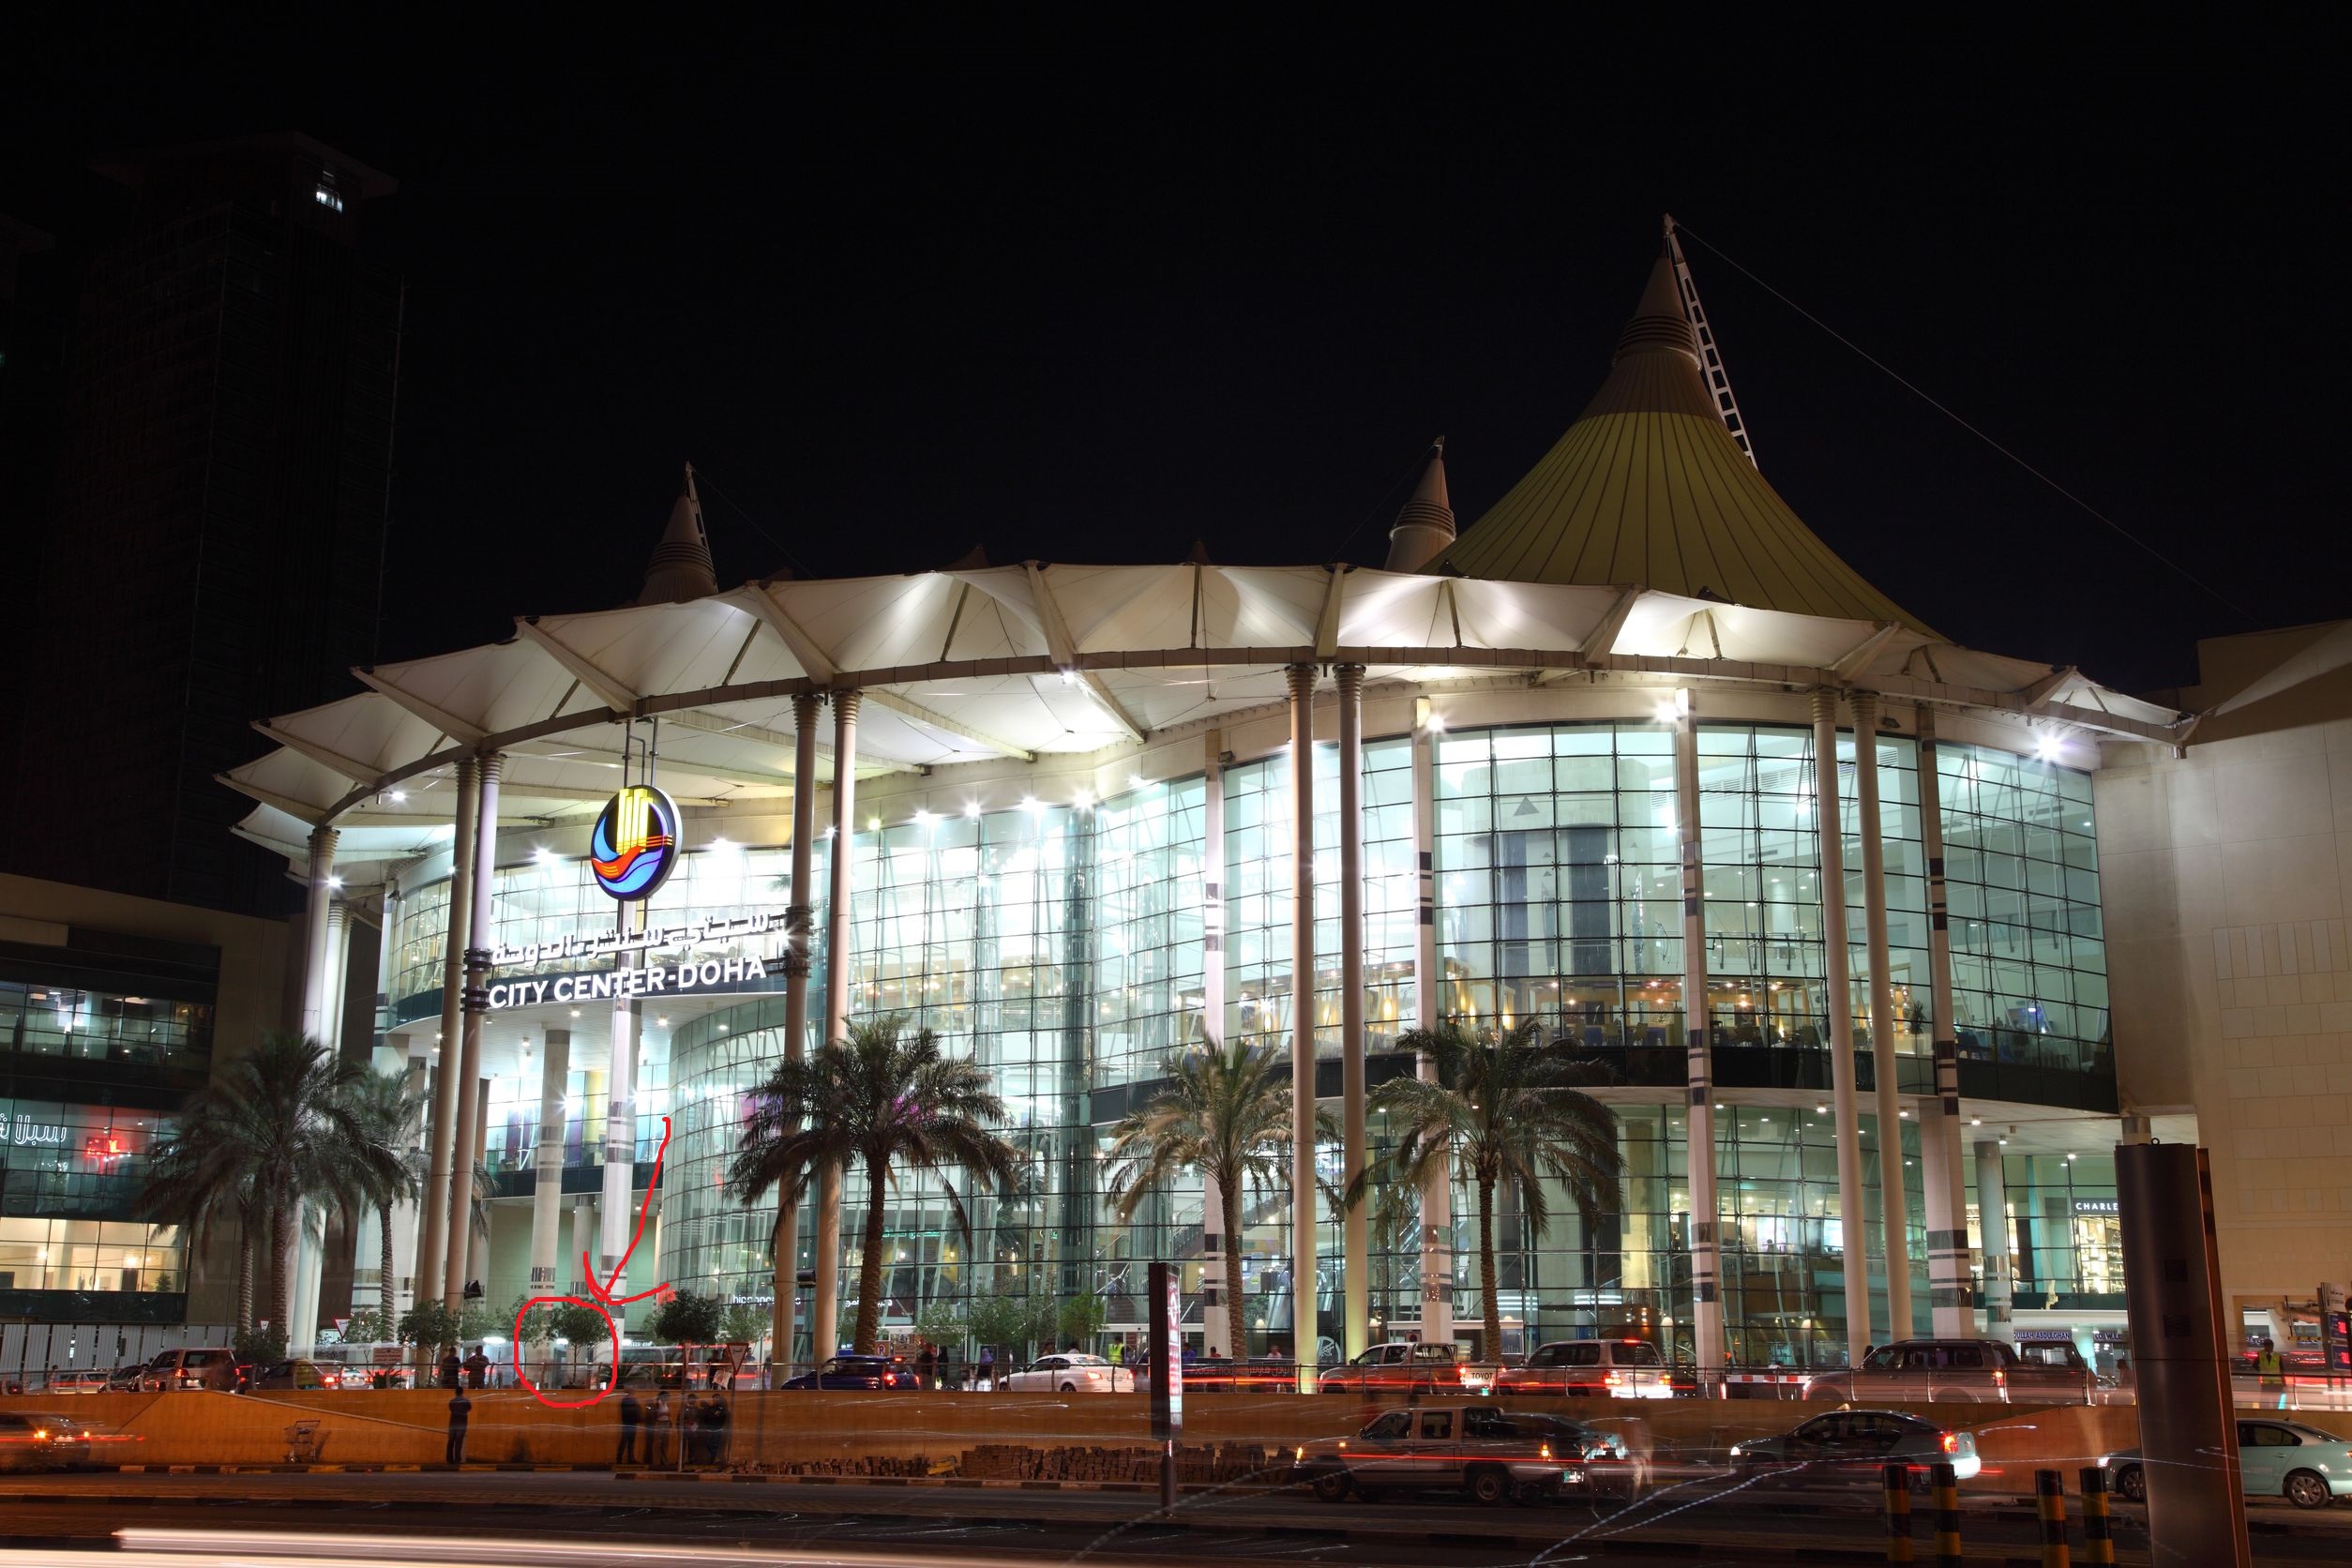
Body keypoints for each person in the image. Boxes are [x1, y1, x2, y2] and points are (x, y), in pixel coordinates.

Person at [445, 1386, 472, 1466]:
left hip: (453, 1423)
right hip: (462, 1423)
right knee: (459, 1442)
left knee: (451, 1441)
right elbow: (469, 1409)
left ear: (455, 1392)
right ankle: (457, 1459)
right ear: (462, 1392)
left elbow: (451, 1409)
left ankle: (449, 1459)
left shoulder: (452, 1401)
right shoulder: (466, 1401)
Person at [615, 1386, 642, 1466]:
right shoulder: (628, 1401)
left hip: (628, 1423)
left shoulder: (626, 1401)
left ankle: (624, 1458)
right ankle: (627, 1458)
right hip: (630, 1423)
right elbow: (635, 1410)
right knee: (627, 1442)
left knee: (628, 1441)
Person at [2257, 1337, 2286, 1408]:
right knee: (2264, 1403)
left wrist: (2283, 1381)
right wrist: (2261, 1370)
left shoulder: (2277, 1356)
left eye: (2269, 1345)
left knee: (2276, 1403)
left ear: (2272, 1346)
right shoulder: (2260, 1354)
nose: (2267, 1347)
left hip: (2276, 1383)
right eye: (2266, 1345)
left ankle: (2276, 1414)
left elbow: (2282, 1369)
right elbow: (2255, 1365)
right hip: (2266, 1383)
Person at [646, 1391, 671, 1468]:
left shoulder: (666, 1404)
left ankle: (664, 1461)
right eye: (666, 1397)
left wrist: (666, 1414)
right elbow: (656, 1414)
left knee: (665, 1443)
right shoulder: (658, 1404)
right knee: (658, 1443)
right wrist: (665, 1413)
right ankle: (656, 1461)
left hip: (666, 1423)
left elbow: (669, 1413)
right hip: (659, 1423)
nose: (667, 1398)